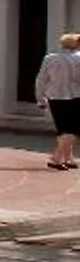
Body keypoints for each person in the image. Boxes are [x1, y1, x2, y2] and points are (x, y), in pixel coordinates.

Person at [40, 31, 80, 170]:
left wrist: (40, 97)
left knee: (63, 128)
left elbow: (41, 79)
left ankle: (68, 158)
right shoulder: (79, 58)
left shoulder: (49, 58)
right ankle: (56, 157)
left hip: (54, 96)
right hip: (75, 96)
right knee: (73, 128)